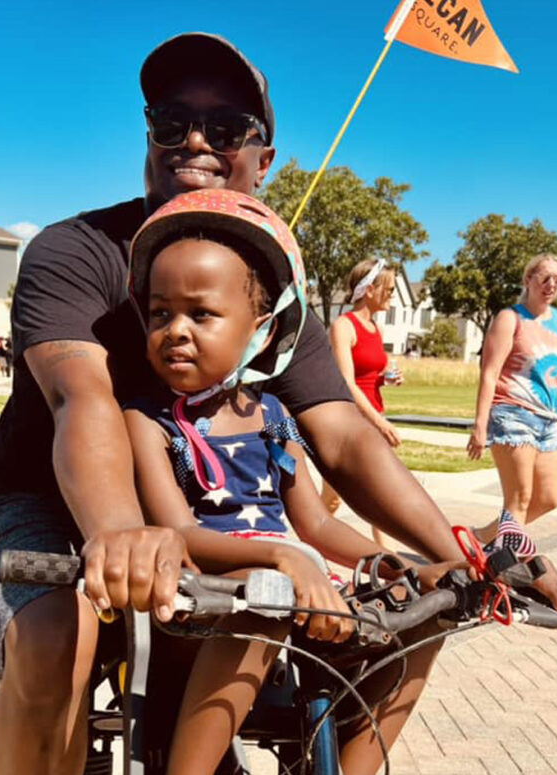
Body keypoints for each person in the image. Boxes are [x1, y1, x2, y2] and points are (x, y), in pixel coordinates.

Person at [0, 32, 557, 775]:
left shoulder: (269, 294)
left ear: (264, 158)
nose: (196, 141)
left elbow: (343, 437)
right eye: (171, 121)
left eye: (226, 127)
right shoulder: (75, 250)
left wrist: (459, 557)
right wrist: (119, 531)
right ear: (147, 134)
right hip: (43, 503)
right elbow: (80, 398)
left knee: (407, 613)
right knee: (58, 634)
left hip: (205, 529)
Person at [124, 189, 457, 775]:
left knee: (429, 613)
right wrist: (280, 561)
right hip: (207, 594)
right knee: (265, 602)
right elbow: (176, 529)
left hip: (296, 582)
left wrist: (392, 564)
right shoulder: (147, 422)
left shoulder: (275, 416)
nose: (176, 330)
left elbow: (317, 523)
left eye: (200, 314)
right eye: (160, 314)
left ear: (261, 329)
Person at [468, 254, 557, 553]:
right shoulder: (511, 318)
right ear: (528, 280)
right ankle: (501, 569)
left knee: (548, 499)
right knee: (519, 498)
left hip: (549, 422)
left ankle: (480, 537)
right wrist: (480, 426)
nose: (551, 285)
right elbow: (490, 373)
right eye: (544, 277)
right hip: (512, 414)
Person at [322, 258, 402, 546]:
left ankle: (390, 564)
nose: (392, 295)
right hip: (349, 422)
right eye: (390, 289)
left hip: (371, 417)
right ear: (370, 289)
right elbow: (346, 382)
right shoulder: (344, 326)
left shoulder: (374, 328)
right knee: (331, 502)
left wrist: (384, 380)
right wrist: (380, 423)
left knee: (379, 496)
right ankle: (312, 556)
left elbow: (367, 376)